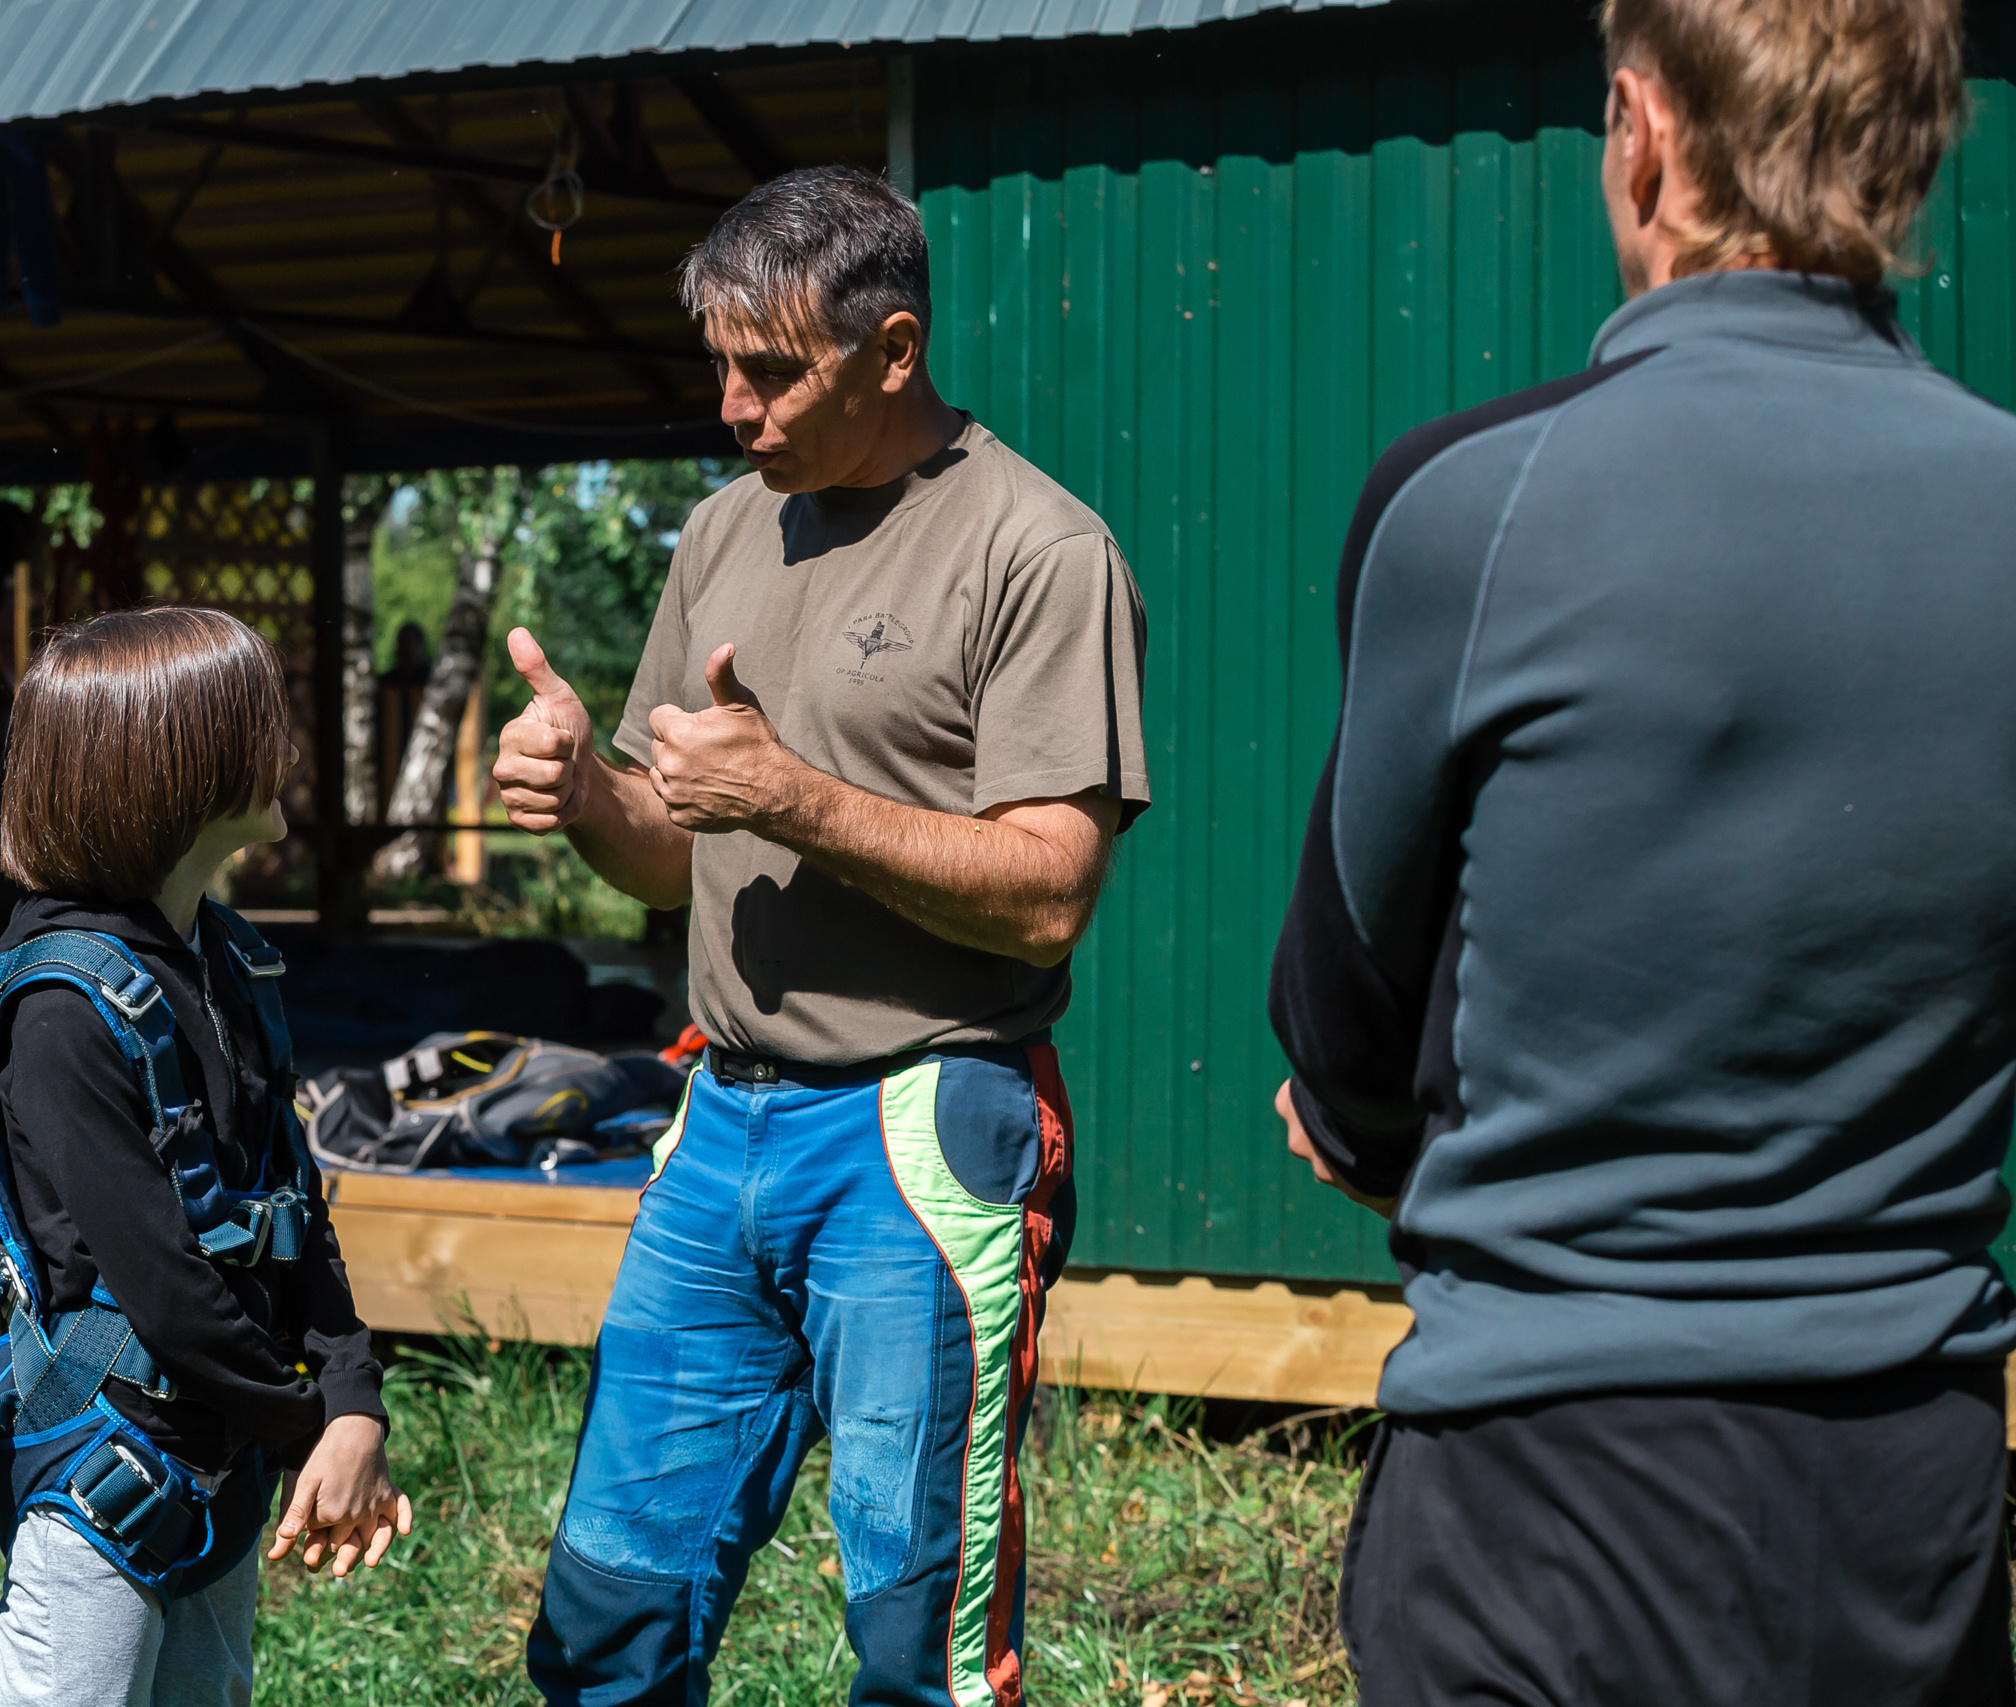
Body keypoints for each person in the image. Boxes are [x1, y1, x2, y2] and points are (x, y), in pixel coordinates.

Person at [1266, 2, 2009, 1701]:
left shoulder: (1475, 502)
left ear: (1642, 129)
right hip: (1914, 1500)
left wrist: (1371, 1130)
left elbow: (1341, 1011)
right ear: (1912, 151)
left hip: (1553, 1484)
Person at [497, 164, 1148, 1706]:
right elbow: (673, 854)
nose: (733, 403)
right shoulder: (724, 528)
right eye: (718, 362)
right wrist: (587, 791)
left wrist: (795, 796)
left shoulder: (1039, 549)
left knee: (912, 1638)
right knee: (607, 1606)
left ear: (897, 346)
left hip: (921, 1124)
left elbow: (1054, 880)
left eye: (772, 370)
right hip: (719, 1119)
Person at [0, 607, 412, 1707]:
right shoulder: (61, 1010)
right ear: (172, 764)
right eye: (261, 727)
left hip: (222, 1452)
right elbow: (166, 1288)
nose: (287, 752)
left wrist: (352, 1397)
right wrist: (311, 1434)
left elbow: (291, 1201)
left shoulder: (225, 962)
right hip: (103, 1466)